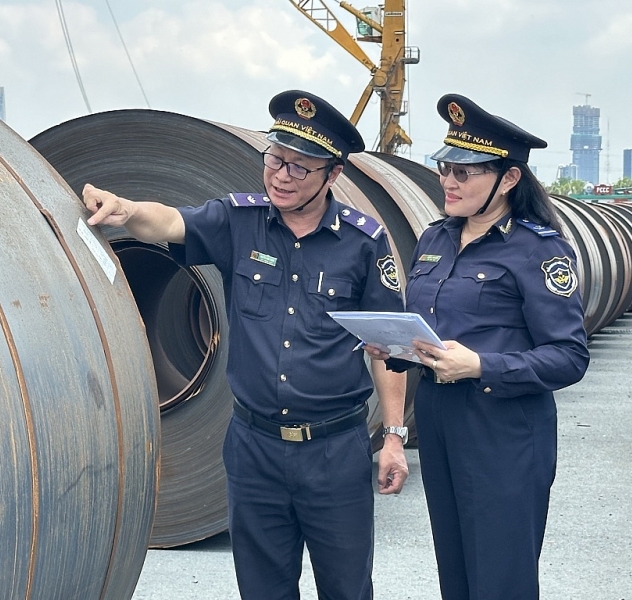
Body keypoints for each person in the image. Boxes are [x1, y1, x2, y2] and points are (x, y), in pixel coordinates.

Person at [82, 90, 409, 600]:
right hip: (254, 448)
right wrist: (123, 208)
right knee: (263, 588)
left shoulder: (363, 242)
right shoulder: (239, 221)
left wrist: (393, 436)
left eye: (300, 168)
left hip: (335, 452)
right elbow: (168, 221)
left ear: (333, 175)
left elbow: (387, 349)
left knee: (346, 589)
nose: (281, 175)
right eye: (275, 159)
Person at [366, 94, 590, 599]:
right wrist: (396, 347)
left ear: (508, 179)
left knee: (500, 578)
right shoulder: (435, 240)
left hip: (505, 434)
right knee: (457, 572)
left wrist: (482, 365)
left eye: (465, 173)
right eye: (446, 168)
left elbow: (570, 356)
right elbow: (430, 332)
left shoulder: (538, 250)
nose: (448, 181)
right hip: (442, 426)